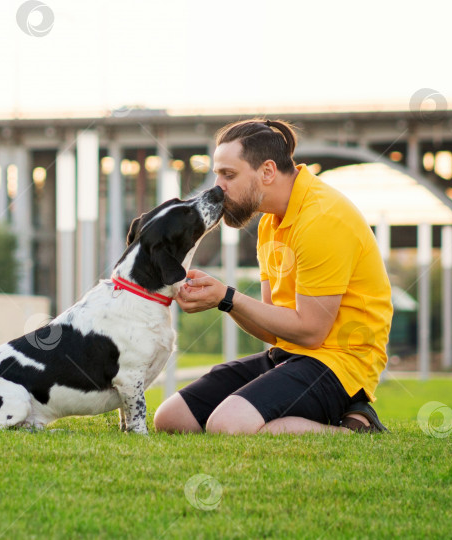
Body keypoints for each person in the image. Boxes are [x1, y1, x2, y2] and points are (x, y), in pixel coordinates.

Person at [153, 119, 393, 435]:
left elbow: (311, 332)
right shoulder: (271, 223)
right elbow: (273, 328)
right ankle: (324, 417)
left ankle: (356, 429)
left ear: (267, 171)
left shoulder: (322, 218)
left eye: (228, 175)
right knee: (171, 420)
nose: (217, 187)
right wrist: (221, 302)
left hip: (339, 367)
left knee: (228, 426)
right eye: (217, 174)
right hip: (290, 355)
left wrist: (227, 296)